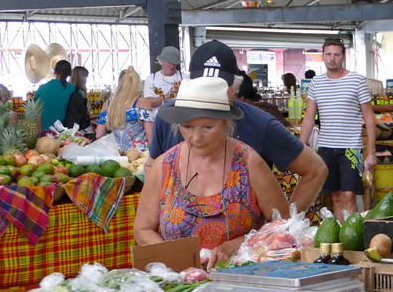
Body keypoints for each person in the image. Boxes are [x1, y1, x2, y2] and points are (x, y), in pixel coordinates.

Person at [150, 40, 327, 214]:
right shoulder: (168, 117)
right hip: (179, 240)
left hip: (243, 240)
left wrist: (283, 226)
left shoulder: (260, 123)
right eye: (203, 84)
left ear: (235, 87)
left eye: (219, 86)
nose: (211, 92)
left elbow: (315, 170)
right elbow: (153, 167)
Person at [134, 77, 290, 270]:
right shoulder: (164, 166)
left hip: (243, 278)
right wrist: (178, 257)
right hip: (180, 281)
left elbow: (282, 224)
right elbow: (142, 229)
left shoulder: (249, 163)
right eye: (187, 127)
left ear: (226, 122)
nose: (196, 138)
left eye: (208, 127)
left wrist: (238, 244)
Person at [299, 38, 378, 219]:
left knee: (348, 195)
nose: (332, 58)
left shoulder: (357, 81)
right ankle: (341, 239)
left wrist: (371, 151)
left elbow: (369, 116)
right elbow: (309, 118)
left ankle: (354, 238)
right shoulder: (316, 83)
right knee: (335, 196)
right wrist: (301, 146)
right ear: (323, 57)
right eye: (328, 54)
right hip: (326, 148)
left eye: (336, 54)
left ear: (343, 57)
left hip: (351, 147)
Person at [95, 67, 152, 153]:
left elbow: (99, 134)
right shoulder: (142, 102)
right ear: (137, 83)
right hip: (139, 155)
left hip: (117, 154)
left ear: (120, 83)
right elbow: (150, 134)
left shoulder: (109, 104)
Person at [35, 60, 89, 132]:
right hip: (66, 134)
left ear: (55, 71)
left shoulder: (42, 88)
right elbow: (81, 114)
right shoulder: (75, 90)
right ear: (70, 73)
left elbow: (35, 113)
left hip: (45, 134)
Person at [142, 46, 184, 111]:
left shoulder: (184, 78)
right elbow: (148, 102)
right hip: (157, 117)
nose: (172, 66)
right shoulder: (151, 79)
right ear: (161, 61)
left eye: (174, 63)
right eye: (169, 63)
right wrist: (167, 95)